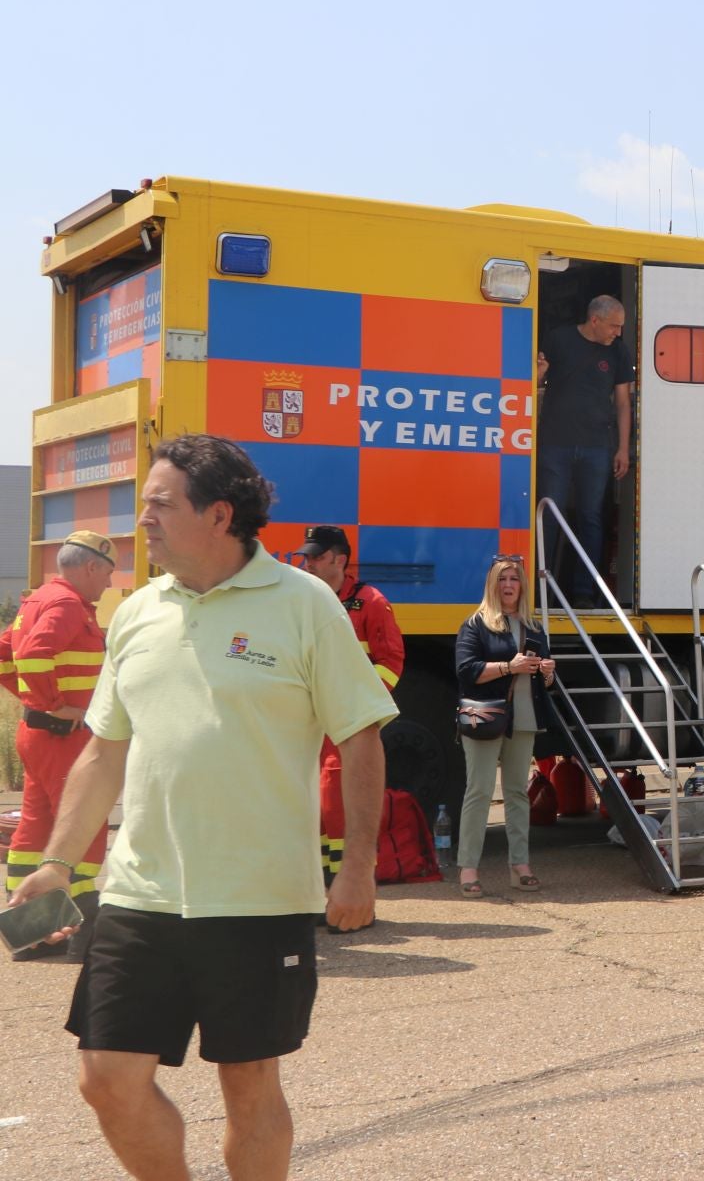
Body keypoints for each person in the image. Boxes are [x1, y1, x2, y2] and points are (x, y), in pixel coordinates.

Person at [6, 434, 396, 1181]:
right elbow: (102, 751)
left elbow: (362, 737)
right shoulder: (136, 613)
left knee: (248, 1084)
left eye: (158, 505)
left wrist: (358, 869)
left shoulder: (305, 604)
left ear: (220, 515)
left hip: (257, 895)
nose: (141, 521)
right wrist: (57, 862)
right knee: (105, 1076)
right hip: (140, 891)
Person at [1, 531, 117, 961]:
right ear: (90, 567)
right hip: (64, 738)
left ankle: (29, 935)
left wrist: (34, 703)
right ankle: (84, 939)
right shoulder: (68, 604)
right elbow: (32, 654)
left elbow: (4, 656)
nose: (108, 585)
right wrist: (55, 705)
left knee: (34, 828)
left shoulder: (37, 600)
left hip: (38, 735)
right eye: (107, 574)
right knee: (84, 824)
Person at [294, 524, 405, 907]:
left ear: (339, 560)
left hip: (347, 726)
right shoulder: (304, 600)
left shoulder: (370, 602)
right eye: (306, 556)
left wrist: (356, 706)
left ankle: (353, 895)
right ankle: (324, 894)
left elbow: (391, 662)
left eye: (316, 556)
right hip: (311, 724)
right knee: (316, 810)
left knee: (339, 805)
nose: (307, 563)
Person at [452, 555, 557, 898]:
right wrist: (509, 667)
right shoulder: (476, 624)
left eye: (514, 579)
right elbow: (467, 671)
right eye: (502, 579)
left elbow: (545, 683)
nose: (509, 585)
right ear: (492, 585)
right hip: (487, 717)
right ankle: (468, 867)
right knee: (479, 792)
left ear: (522, 586)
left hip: (525, 718)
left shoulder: (534, 627)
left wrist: (548, 673)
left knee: (516, 794)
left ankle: (520, 865)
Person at [536, 293, 634, 603]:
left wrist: (622, 448)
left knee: (591, 518)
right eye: (614, 326)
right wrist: (537, 372)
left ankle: (583, 592)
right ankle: (543, 590)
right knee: (550, 515)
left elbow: (622, 403)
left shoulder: (618, 351)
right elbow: (535, 382)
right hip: (555, 443)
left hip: (597, 448)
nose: (617, 332)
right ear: (594, 320)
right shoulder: (559, 339)